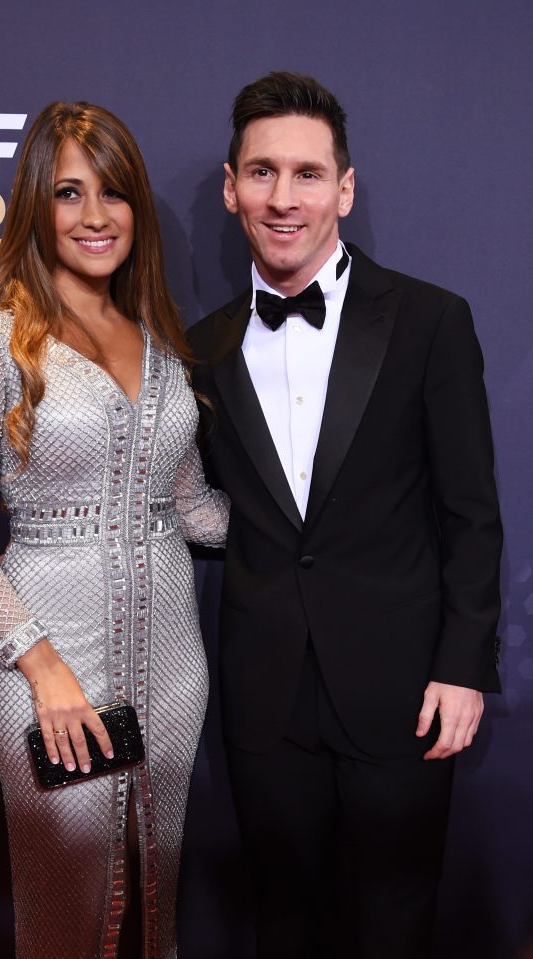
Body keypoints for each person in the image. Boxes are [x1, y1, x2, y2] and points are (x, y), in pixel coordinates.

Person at [188, 72, 502, 959]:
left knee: (395, 922)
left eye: (307, 174)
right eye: (261, 173)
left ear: (345, 189)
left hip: (406, 692)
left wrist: (463, 666)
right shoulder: (199, 346)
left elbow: (471, 510)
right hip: (265, 694)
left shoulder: (432, 321)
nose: (282, 198)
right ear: (229, 185)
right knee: (281, 923)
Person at [0, 101, 228, 959]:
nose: (95, 216)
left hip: (172, 666)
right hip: (48, 666)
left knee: (153, 913)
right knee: (62, 918)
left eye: (114, 192)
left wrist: (328, 522)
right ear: (36, 204)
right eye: (69, 192)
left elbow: (194, 508)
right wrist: (41, 663)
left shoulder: (161, 342)